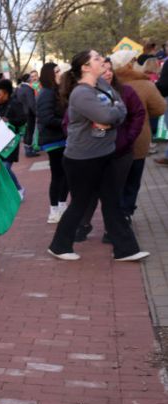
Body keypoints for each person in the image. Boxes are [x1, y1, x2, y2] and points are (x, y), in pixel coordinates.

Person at [47, 50, 149, 262]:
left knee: (112, 201)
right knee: (81, 203)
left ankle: (126, 250)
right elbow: (107, 114)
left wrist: (113, 115)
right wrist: (112, 114)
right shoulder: (81, 93)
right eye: (96, 59)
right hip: (82, 160)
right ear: (85, 67)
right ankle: (59, 246)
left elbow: (120, 108)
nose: (102, 61)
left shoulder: (101, 85)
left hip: (105, 154)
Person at [74, 55, 144, 243]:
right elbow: (70, 122)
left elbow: (138, 115)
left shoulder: (126, 92)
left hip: (120, 152)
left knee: (114, 193)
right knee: (89, 193)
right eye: (103, 68)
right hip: (94, 153)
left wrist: (127, 138)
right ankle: (82, 226)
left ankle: (113, 232)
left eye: (110, 68)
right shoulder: (86, 94)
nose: (107, 72)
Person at [111, 51, 166, 215]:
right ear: (129, 63)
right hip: (139, 138)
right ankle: (126, 212)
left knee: (115, 181)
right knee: (133, 180)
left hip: (111, 140)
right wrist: (146, 113)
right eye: (135, 60)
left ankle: (115, 215)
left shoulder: (107, 83)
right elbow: (160, 108)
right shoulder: (144, 84)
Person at [36, 62, 69, 223]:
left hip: (62, 139)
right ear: (49, 74)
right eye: (56, 71)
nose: (59, 74)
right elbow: (46, 118)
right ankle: (54, 210)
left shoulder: (57, 92)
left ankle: (62, 206)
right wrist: (66, 122)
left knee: (66, 175)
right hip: (53, 141)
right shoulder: (46, 93)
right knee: (58, 175)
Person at [0, 79, 27, 196]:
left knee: (6, 168)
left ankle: (18, 189)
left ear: (6, 94)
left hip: (11, 142)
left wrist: (9, 120)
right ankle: (12, 190)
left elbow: (23, 119)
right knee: (1, 169)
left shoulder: (15, 104)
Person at [15, 73, 39, 157]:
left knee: (26, 132)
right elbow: (31, 103)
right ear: (28, 79)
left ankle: (27, 149)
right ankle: (29, 150)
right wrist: (37, 113)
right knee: (30, 131)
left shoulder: (19, 89)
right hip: (29, 114)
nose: (32, 79)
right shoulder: (29, 89)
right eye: (31, 77)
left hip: (22, 113)